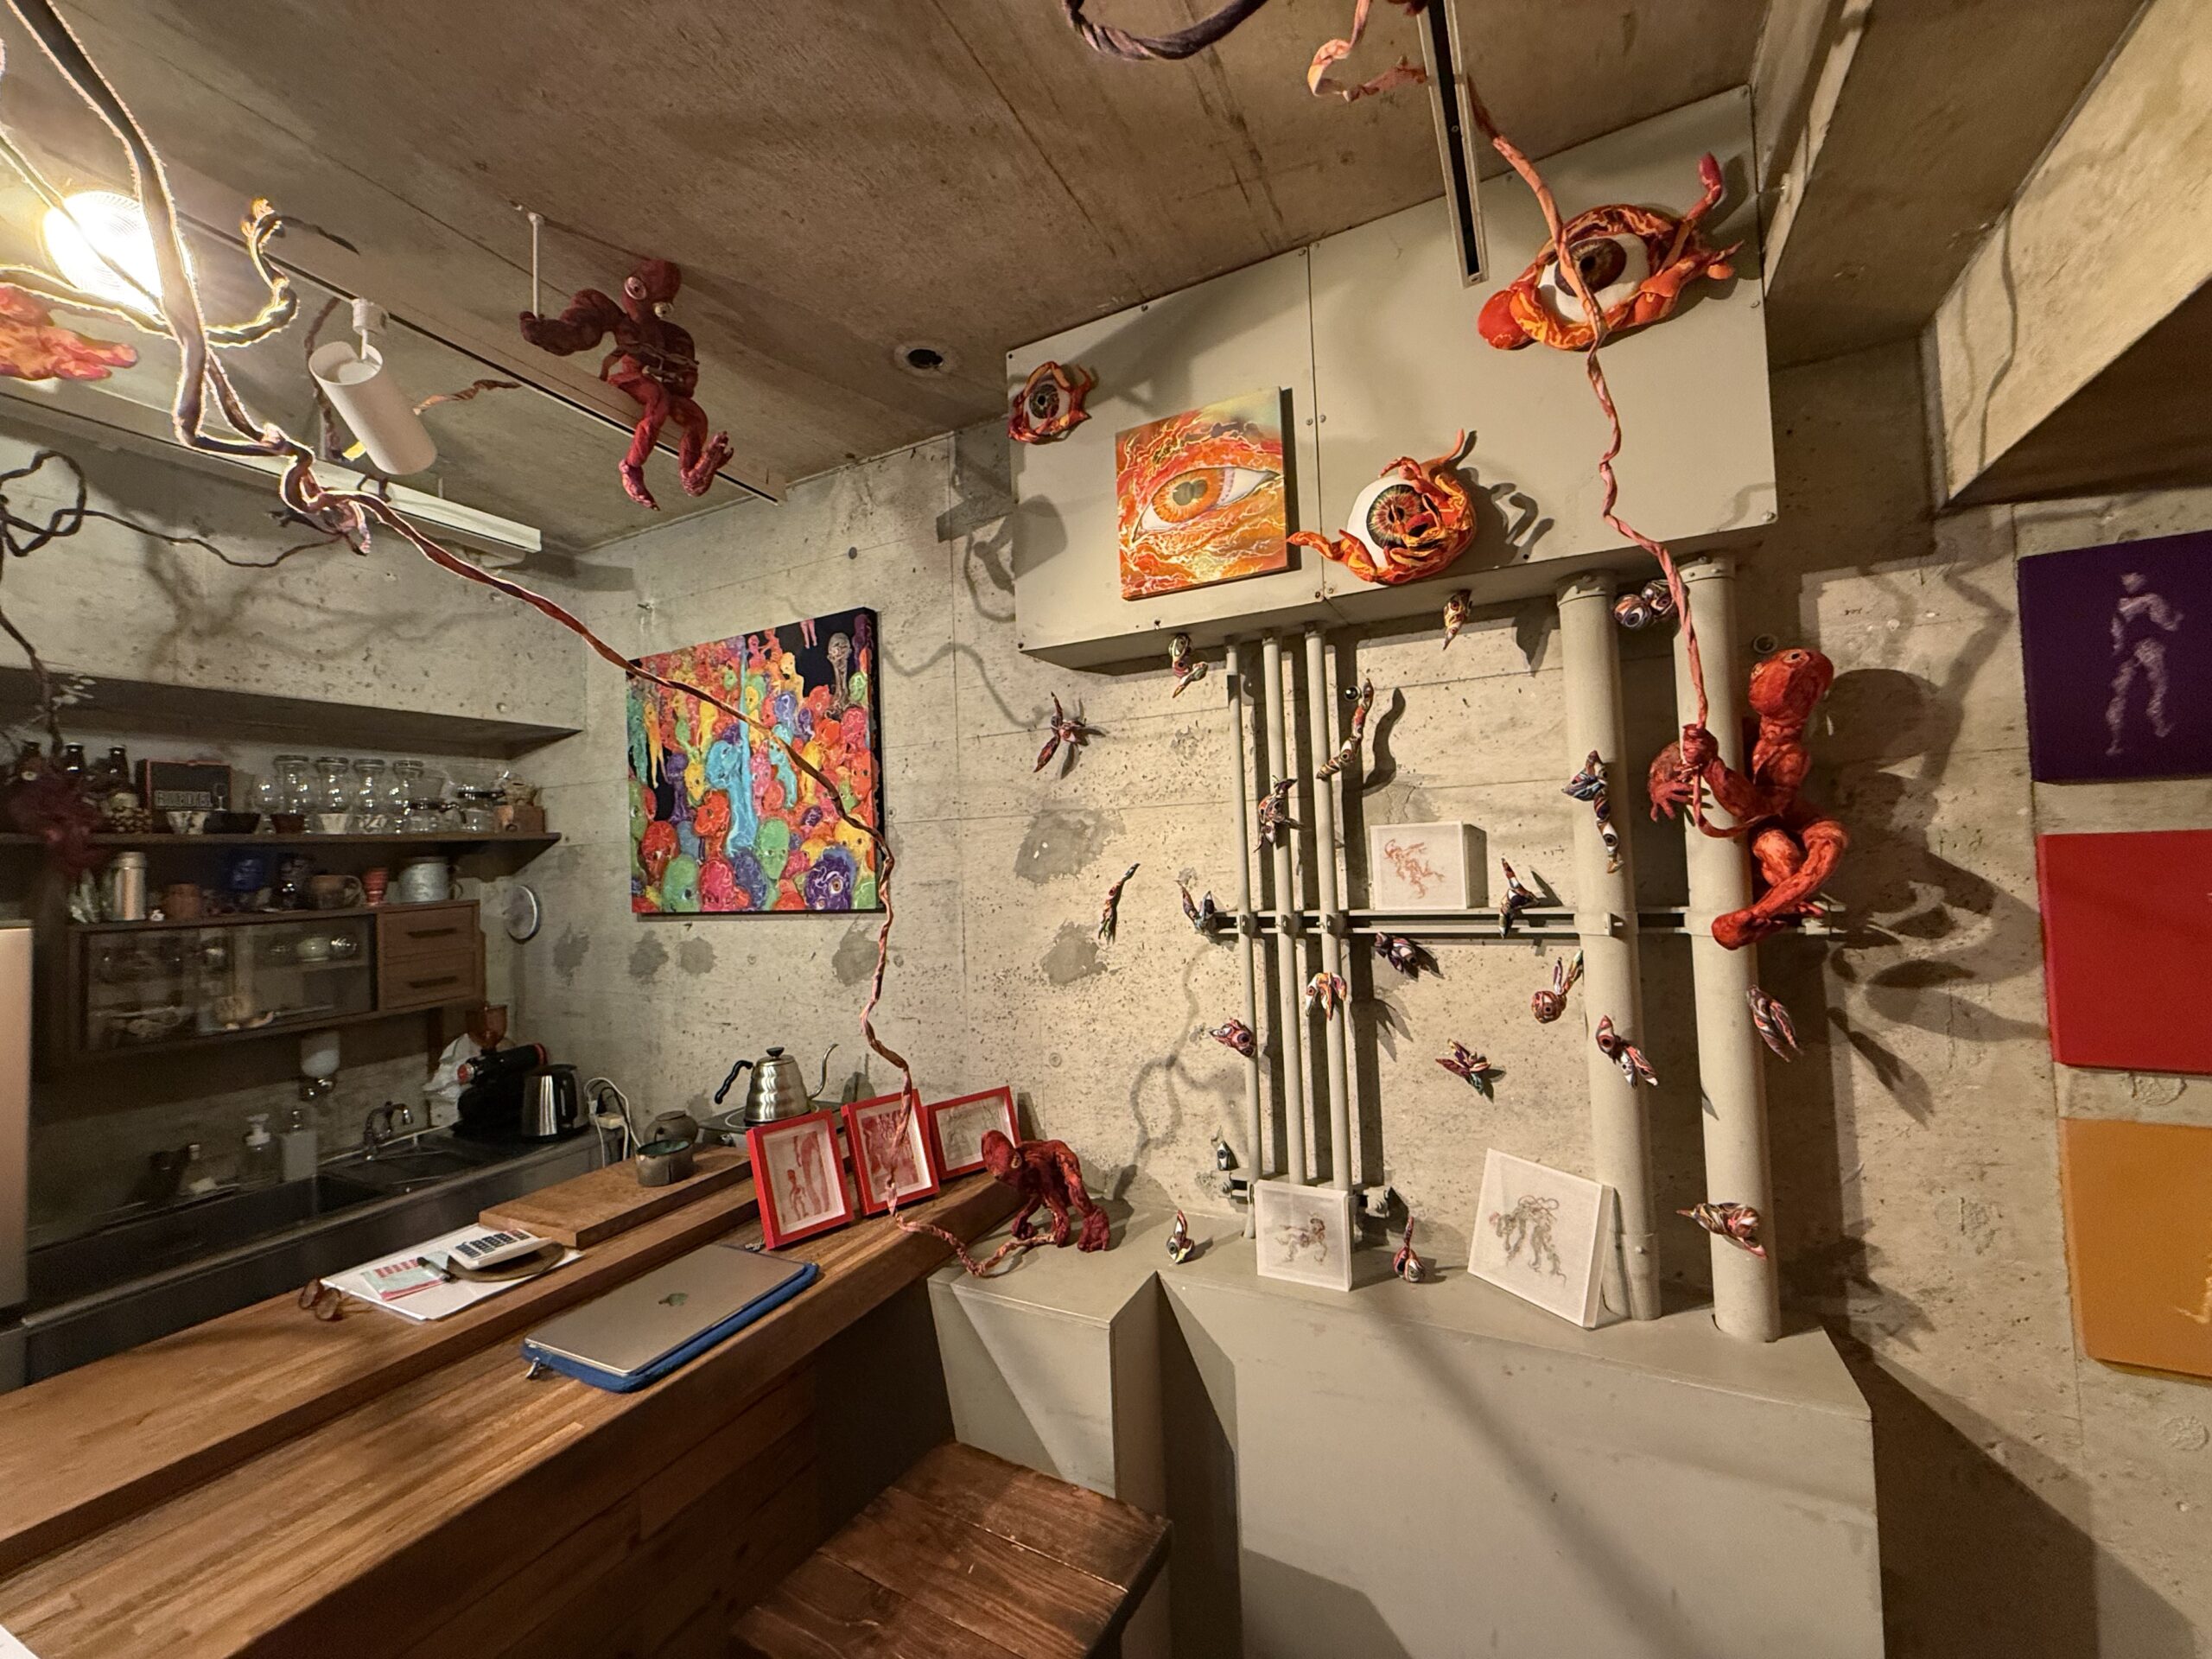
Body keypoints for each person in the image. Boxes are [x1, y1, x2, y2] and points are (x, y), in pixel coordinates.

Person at [2106, 570, 2183, 756]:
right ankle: (2159, 727)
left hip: (2128, 655)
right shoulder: (2150, 599)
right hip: (2147, 649)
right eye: (2129, 576)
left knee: (2122, 696)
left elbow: (2116, 642)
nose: (2129, 580)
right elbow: (2169, 625)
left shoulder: (2120, 606)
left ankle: (2117, 741)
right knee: (2158, 688)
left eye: (2132, 576)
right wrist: (2178, 617)